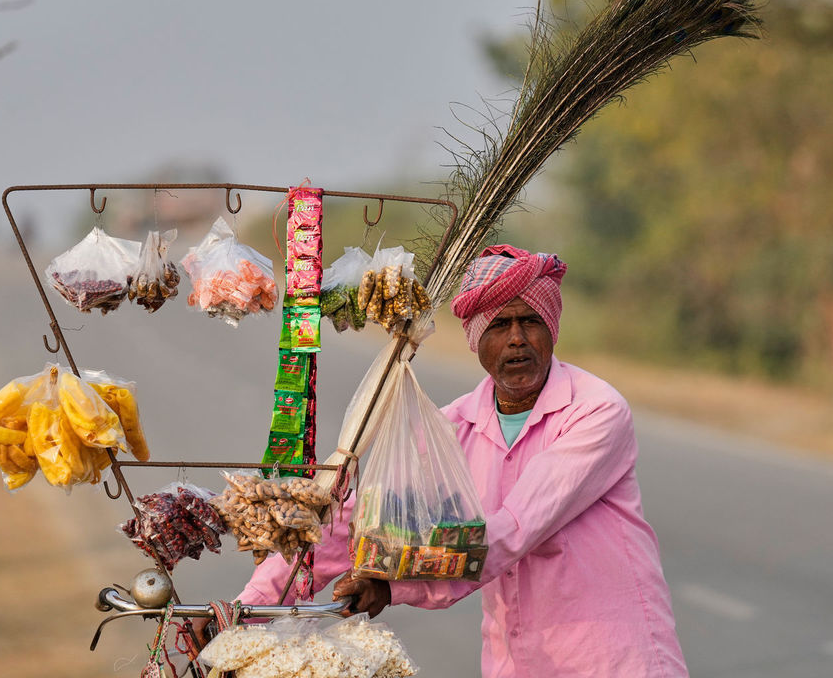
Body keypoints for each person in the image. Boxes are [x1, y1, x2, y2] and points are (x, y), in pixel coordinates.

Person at [235, 245, 687, 677]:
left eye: (531, 321)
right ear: (476, 339)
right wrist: (246, 607)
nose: (516, 340)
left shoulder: (595, 411)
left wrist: (394, 586)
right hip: (515, 662)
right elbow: (357, 521)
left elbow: (513, 530)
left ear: (551, 329)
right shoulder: (452, 430)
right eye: (500, 325)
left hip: (615, 661)